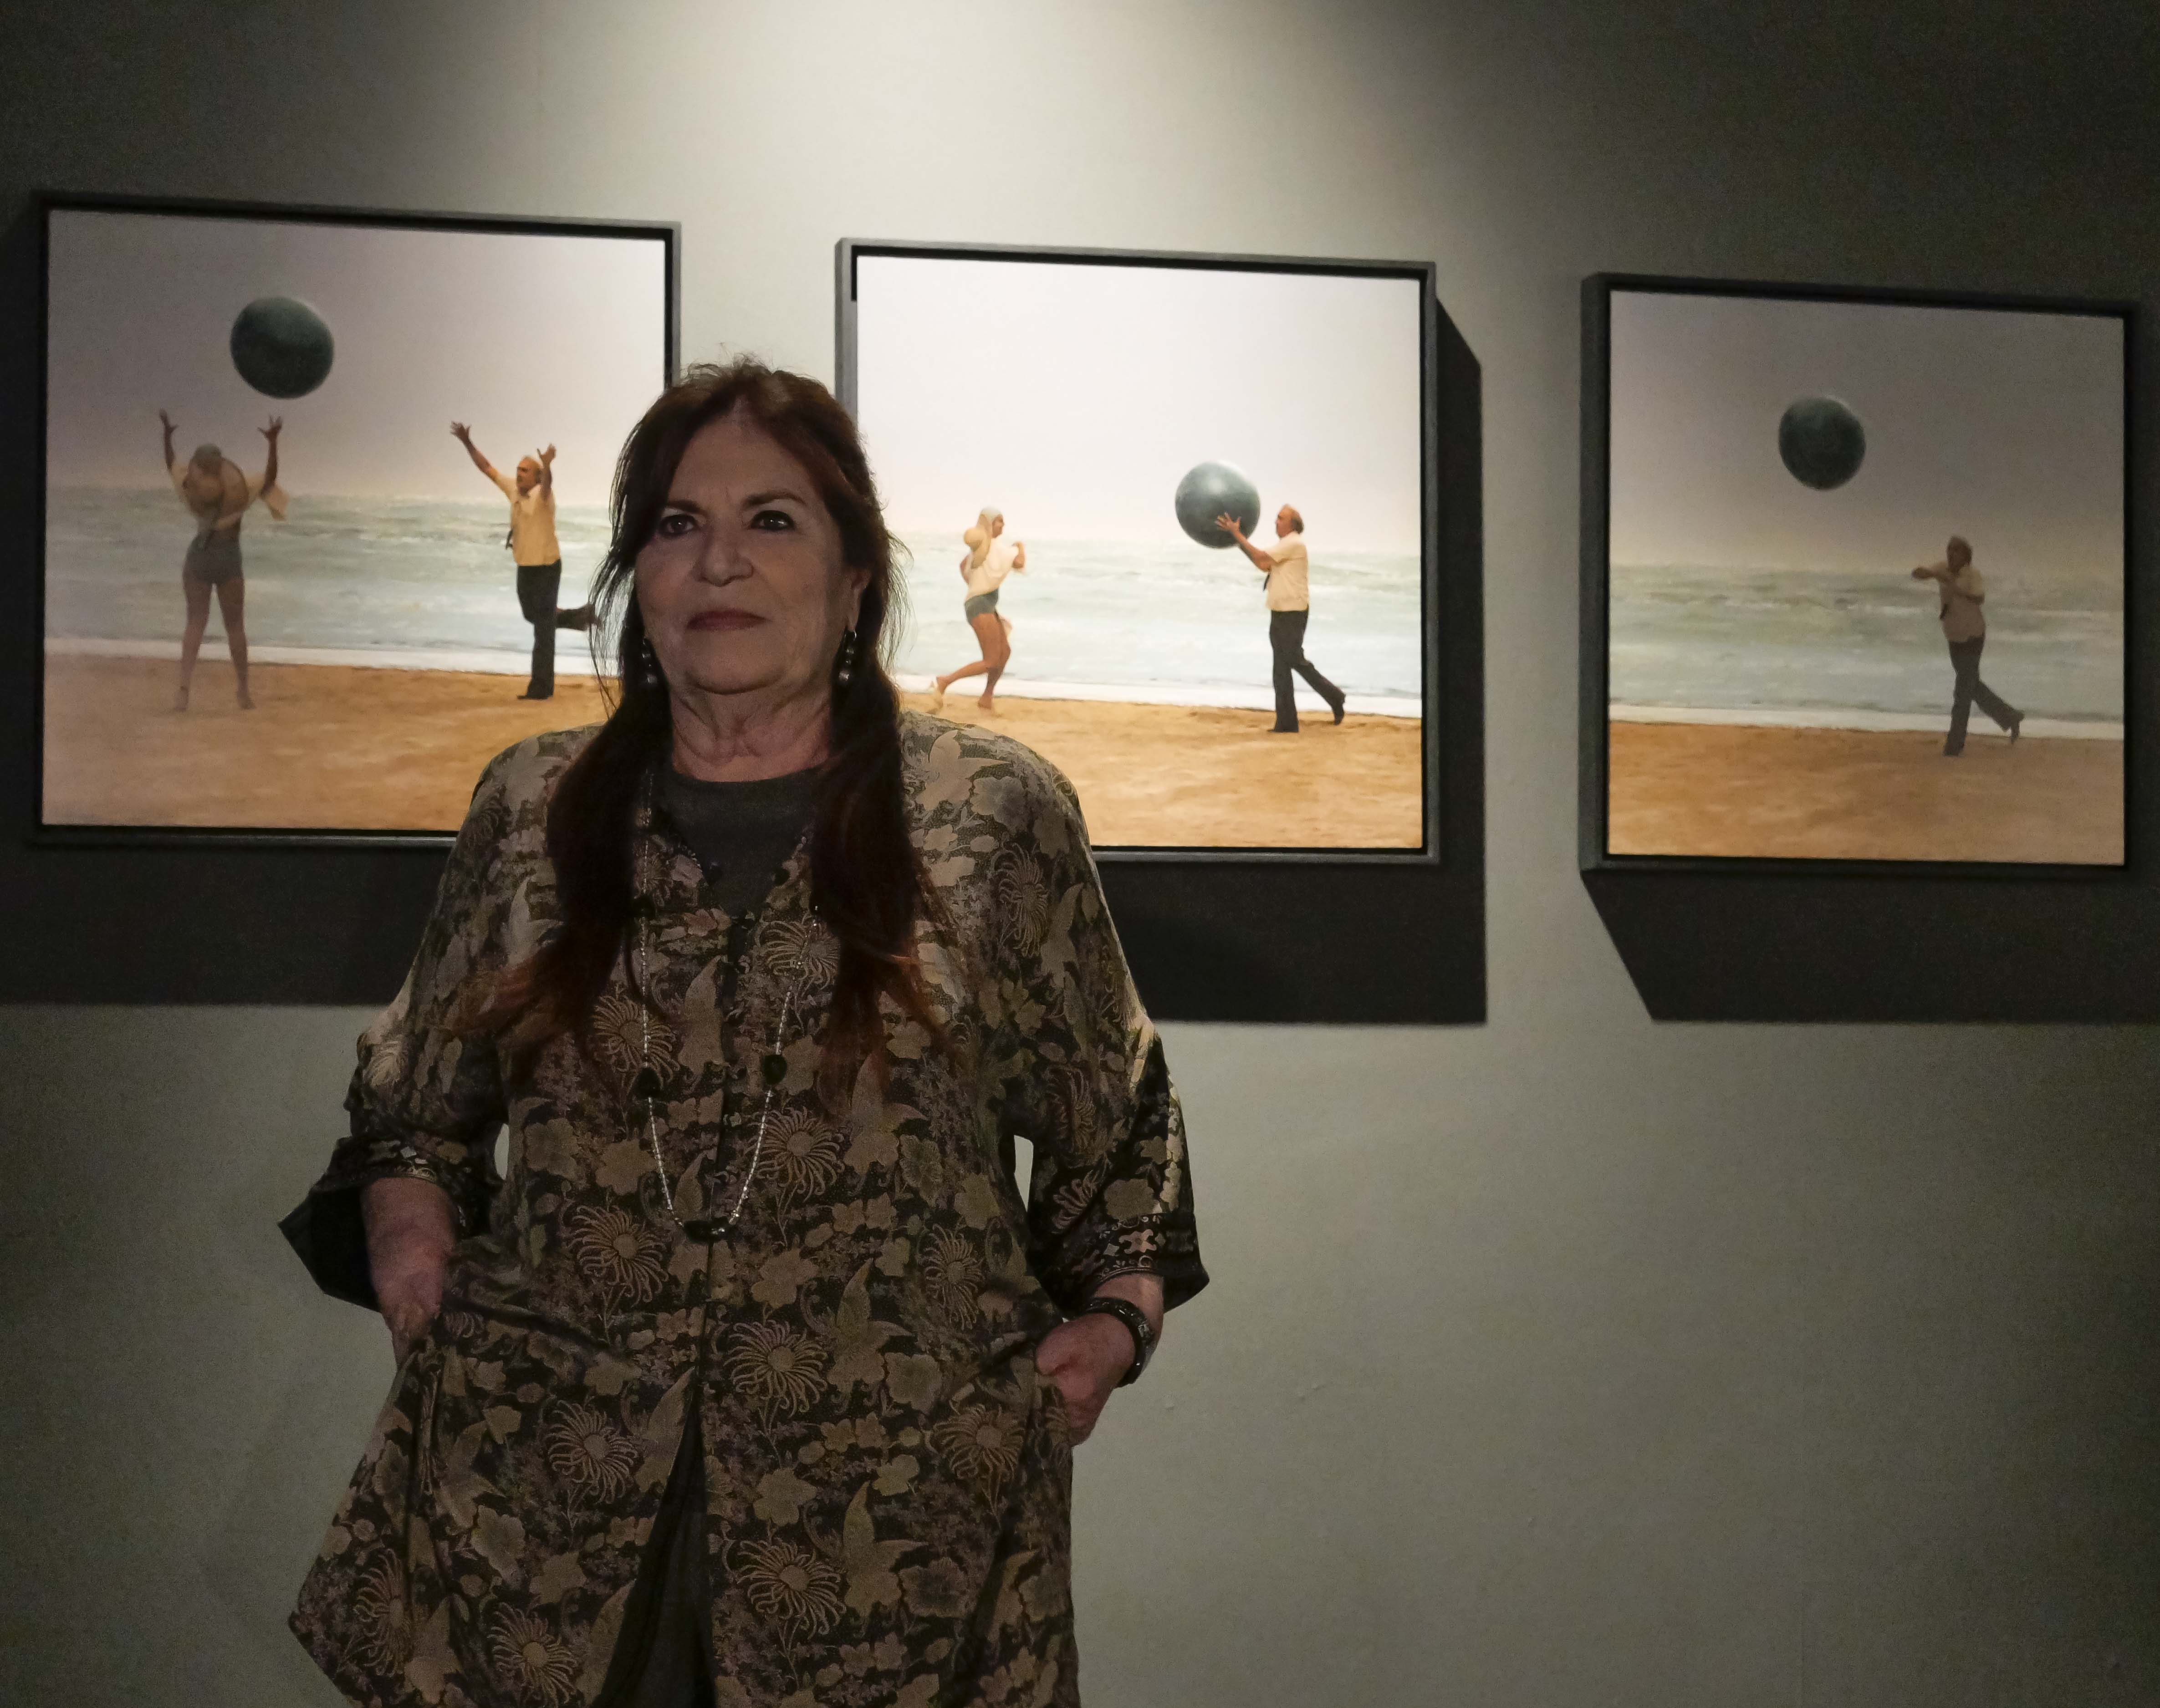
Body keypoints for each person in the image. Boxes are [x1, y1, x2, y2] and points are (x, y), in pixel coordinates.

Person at [290, 360, 1206, 1708]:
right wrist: (410, 1240)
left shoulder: (992, 811)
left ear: (854, 579)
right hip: (544, 1504)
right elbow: (414, 1110)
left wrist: (1118, 1317)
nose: (719, 558)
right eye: (677, 523)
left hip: (897, 1527)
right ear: (636, 577)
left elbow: (1116, 1126)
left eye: (772, 519)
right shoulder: (532, 805)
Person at [452, 422, 597, 699]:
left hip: (547, 568)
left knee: (543, 630)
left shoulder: (543, 496)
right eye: (518, 470)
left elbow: (548, 485)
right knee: (532, 616)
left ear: (537, 477)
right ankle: (580, 616)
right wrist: (467, 443)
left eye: (525, 471)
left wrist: (548, 465)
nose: (519, 474)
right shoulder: (512, 489)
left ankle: (541, 688)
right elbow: (487, 468)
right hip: (525, 567)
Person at [159, 408, 286, 711]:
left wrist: (167, 436)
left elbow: (171, 464)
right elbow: (270, 477)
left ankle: (183, 691)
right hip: (229, 559)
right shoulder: (240, 492)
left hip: (199, 558)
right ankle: (243, 692)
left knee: (195, 624)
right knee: (236, 628)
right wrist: (272, 443)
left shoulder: (189, 490)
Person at [1216, 503, 1345, 733]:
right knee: (1281, 668)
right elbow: (1262, 564)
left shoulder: (1294, 543)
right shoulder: (1284, 546)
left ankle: (1334, 696)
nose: (1276, 522)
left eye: (1281, 518)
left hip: (1293, 612)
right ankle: (1287, 722)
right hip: (1281, 611)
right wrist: (1236, 540)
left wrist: (1237, 535)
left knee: (1293, 661)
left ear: (1292, 524)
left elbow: (1260, 556)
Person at [1911, 534, 2022, 756]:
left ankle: (1954, 745)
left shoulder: (1973, 575)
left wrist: (1956, 589)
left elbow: (1980, 598)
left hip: (1973, 636)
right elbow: (1917, 574)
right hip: (1954, 637)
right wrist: (1932, 574)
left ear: (1966, 555)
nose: (1951, 553)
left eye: (1956, 550)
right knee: (1972, 686)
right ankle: (2010, 717)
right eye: (1949, 549)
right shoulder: (1943, 569)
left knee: (1963, 691)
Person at [930, 505, 1026, 712]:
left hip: (985, 603)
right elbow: (1019, 562)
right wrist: (1020, 546)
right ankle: (945, 681)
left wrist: (975, 584)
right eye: (1000, 521)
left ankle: (987, 697)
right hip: (980, 604)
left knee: (1005, 652)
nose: (1004, 525)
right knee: (991, 661)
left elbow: (962, 565)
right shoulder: (993, 547)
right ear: (990, 524)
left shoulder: (982, 549)